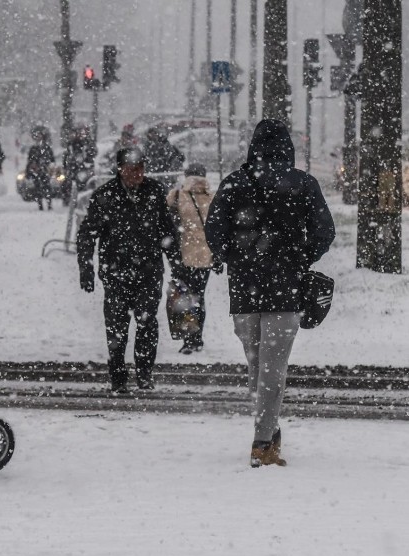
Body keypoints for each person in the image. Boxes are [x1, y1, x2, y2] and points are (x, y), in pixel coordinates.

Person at [205, 119, 335, 468]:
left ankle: (264, 437)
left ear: (253, 147)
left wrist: (238, 258)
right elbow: (325, 231)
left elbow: (214, 231)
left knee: (256, 365)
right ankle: (267, 438)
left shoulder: (235, 183)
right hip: (285, 290)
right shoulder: (302, 184)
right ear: (287, 148)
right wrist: (298, 257)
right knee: (272, 369)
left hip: (245, 293)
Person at [77, 147, 182, 393]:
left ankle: (145, 372)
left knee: (147, 322)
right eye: (132, 169)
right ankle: (118, 376)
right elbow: (87, 234)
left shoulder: (154, 192)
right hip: (116, 272)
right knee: (116, 326)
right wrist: (86, 268)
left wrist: (176, 264)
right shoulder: (105, 195)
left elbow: (167, 231)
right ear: (120, 169)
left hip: (148, 270)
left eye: (141, 169)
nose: (137, 174)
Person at [166, 163, 219, 354]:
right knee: (198, 296)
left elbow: (167, 224)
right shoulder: (212, 197)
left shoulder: (177, 195)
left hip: (182, 255)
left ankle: (189, 337)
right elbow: (218, 229)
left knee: (184, 297)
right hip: (205, 256)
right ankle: (197, 338)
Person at [62, 124, 97, 204]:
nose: (78, 135)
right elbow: (66, 155)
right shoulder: (71, 144)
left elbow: (92, 153)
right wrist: (66, 166)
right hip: (73, 168)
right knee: (67, 182)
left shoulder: (88, 143)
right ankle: (68, 199)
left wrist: (87, 162)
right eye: (76, 133)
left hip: (84, 169)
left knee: (87, 183)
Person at [143, 126, 185, 192]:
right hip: (156, 171)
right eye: (151, 133)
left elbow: (171, 156)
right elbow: (147, 157)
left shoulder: (165, 143)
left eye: (154, 133)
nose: (153, 135)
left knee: (165, 189)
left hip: (164, 171)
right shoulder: (148, 145)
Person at [25, 126, 57, 211]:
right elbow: (30, 161)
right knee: (38, 188)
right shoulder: (33, 149)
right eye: (37, 135)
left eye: (40, 135)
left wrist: (48, 166)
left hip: (45, 171)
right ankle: (40, 205)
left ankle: (49, 204)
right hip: (37, 171)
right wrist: (30, 169)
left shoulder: (47, 148)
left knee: (47, 187)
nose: (38, 137)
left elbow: (52, 160)